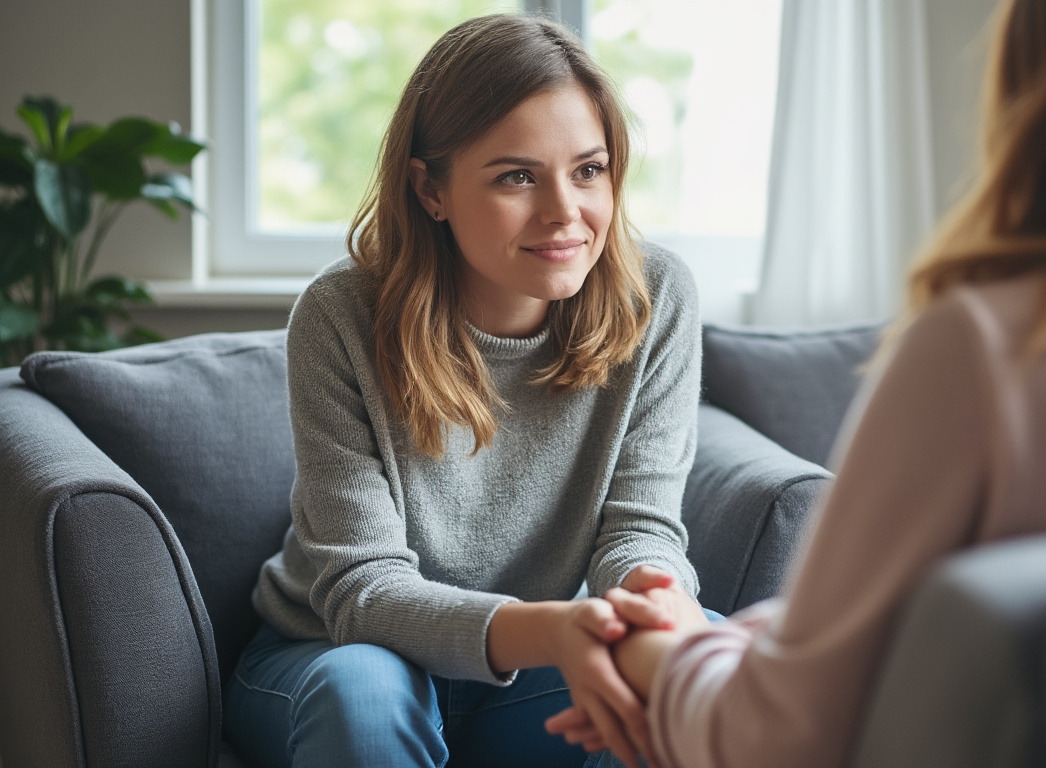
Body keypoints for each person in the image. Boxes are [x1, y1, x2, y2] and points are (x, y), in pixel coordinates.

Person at [545, 0, 1046, 765]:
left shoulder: (989, 349)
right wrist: (746, 640)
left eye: (589, 169)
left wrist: (658, 649)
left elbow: (778, 739)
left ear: (1045, 78)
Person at [222, 14, 708, 768]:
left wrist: (654, 596)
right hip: (334, 653)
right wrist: (554, 629)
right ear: (430, 188)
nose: (565, 213)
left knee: (677, 664)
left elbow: (641, 527)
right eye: (517, 175)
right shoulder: (341, 315)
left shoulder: (657, 297)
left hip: (528, 675)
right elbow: (362, 590)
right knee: (365, 693)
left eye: (589, 170)